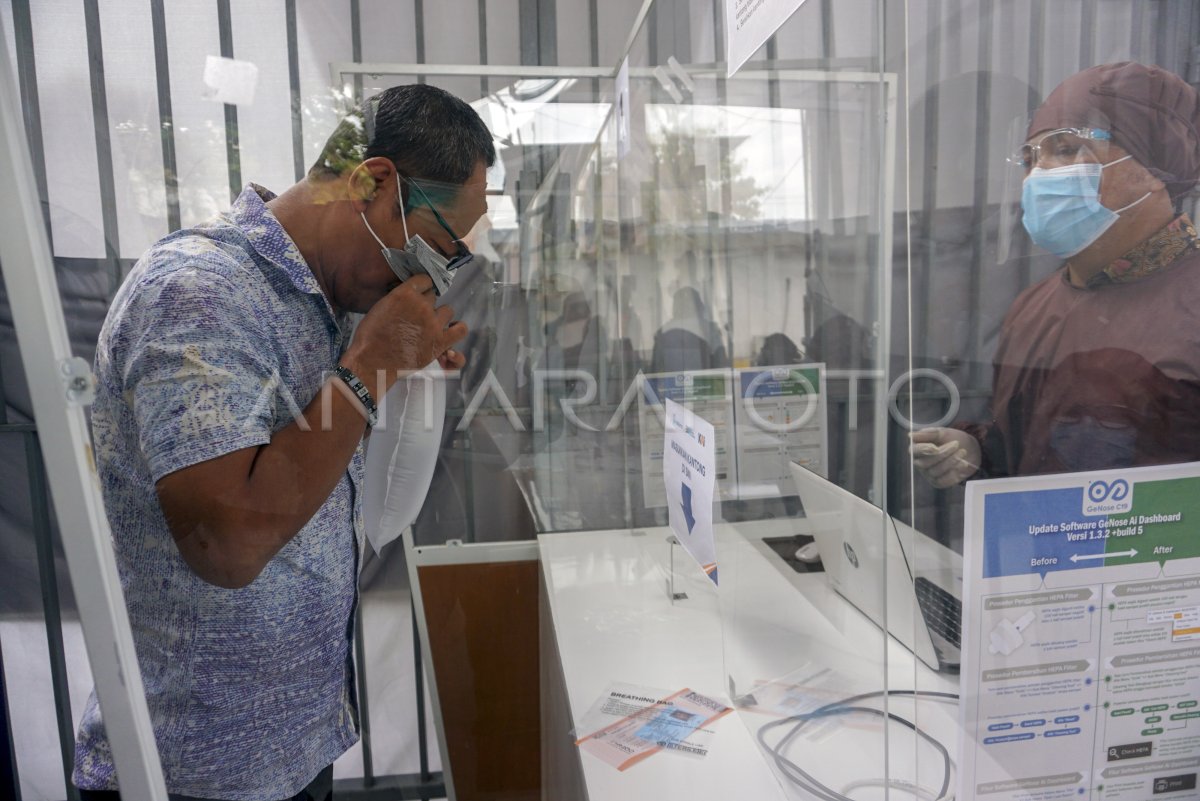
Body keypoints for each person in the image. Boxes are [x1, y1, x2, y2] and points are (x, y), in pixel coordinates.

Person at [73, 84, 495, 800]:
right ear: (371, 180)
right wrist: (368, 369)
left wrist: (386, 373)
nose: (427, 279)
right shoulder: (200, 292)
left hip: (293, 750)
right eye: (431, 250)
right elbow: (227, 543)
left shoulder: (323, 300)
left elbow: (310, 464)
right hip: (193, 773)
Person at [912, 62, 1200, 487]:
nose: (1039, 176)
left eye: (1065, 149)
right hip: (1040, 548)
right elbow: (1027, 454)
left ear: (1153, 169)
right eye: (1030, 159)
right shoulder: (1034, 308)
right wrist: (977, 452)